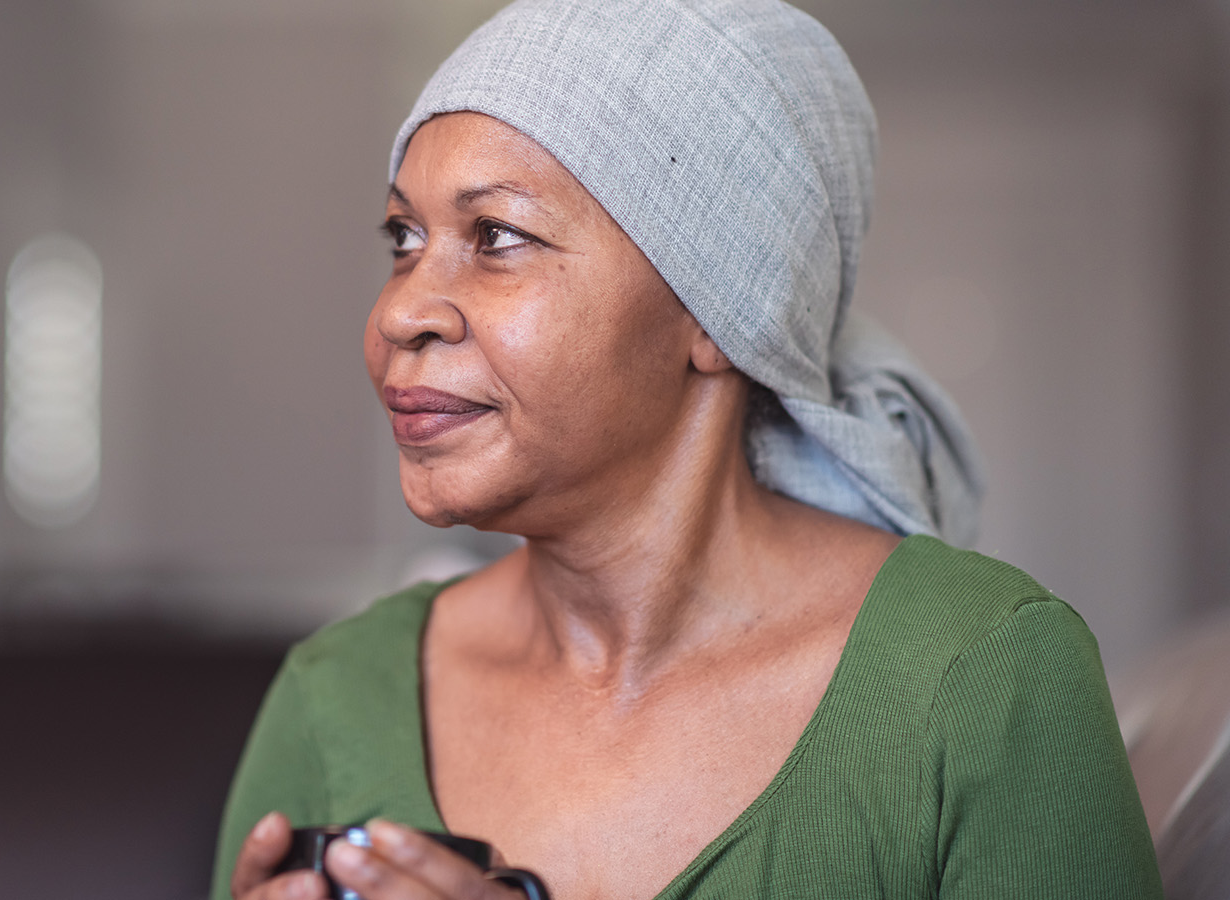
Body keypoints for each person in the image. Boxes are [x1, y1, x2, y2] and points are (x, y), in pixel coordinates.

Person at [211, 0, 1163, 897]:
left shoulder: (986, 675)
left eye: (496, 235)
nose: (400, 310)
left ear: (716, 314)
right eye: (404, 238)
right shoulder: (333, 697)